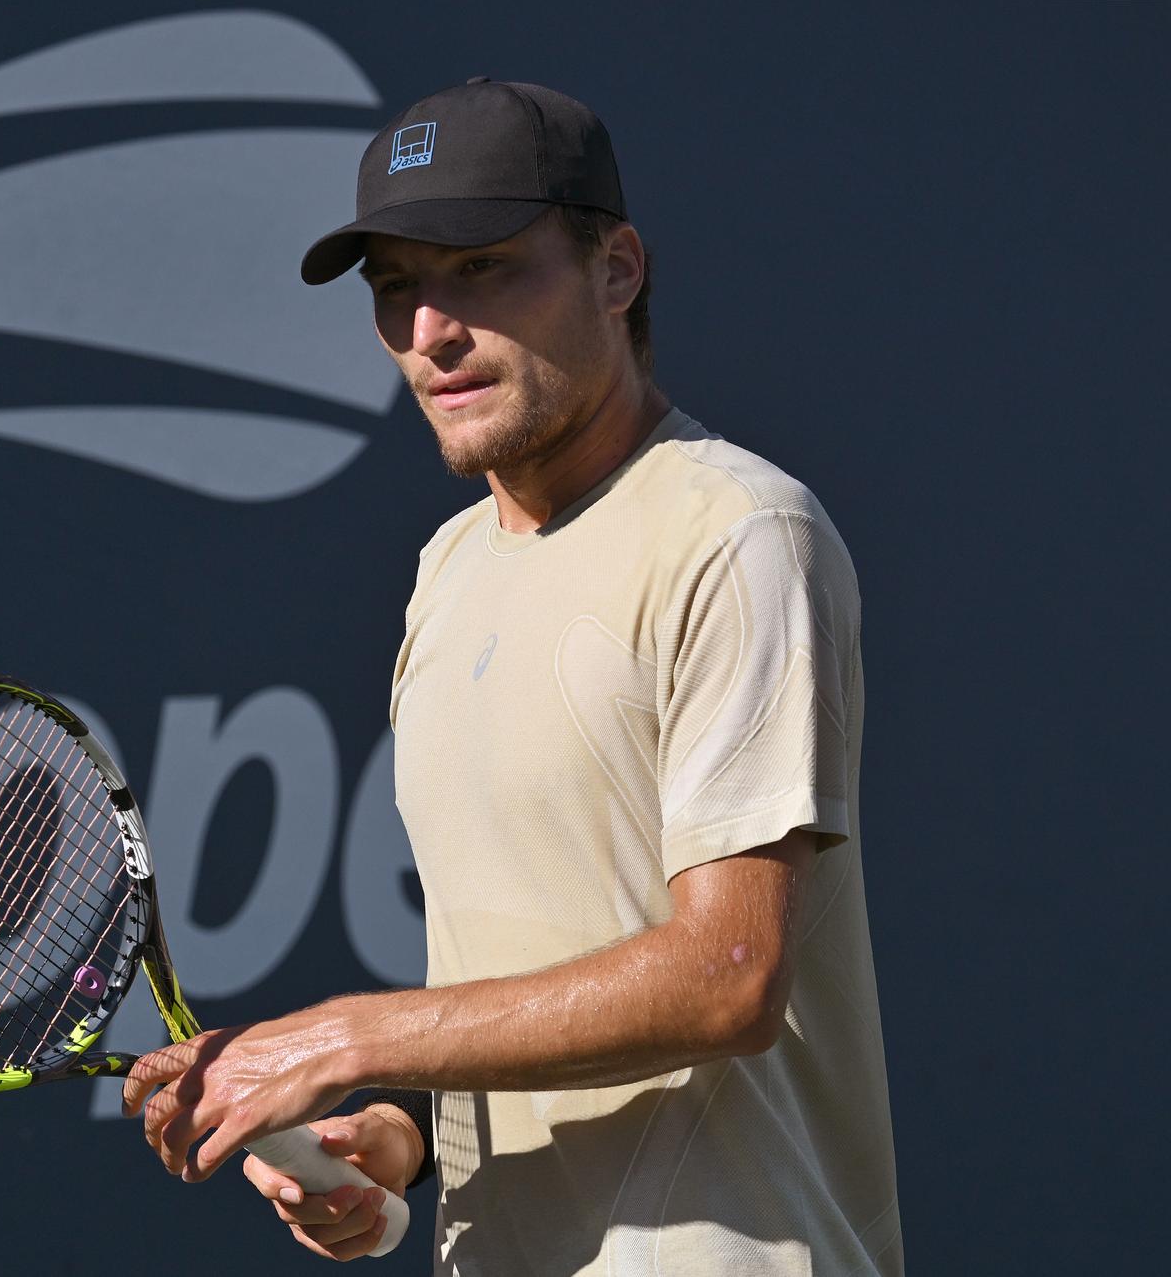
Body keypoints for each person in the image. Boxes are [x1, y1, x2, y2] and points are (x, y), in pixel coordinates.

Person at [120, 78, 903, 1274]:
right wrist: (402, 1137)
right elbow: (527, 970)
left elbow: (728, 977)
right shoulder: (447, 570)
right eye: (395, 286)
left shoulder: (737, 534)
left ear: (617, 270)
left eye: (481, 268)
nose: (429, 330)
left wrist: (343, 1037)